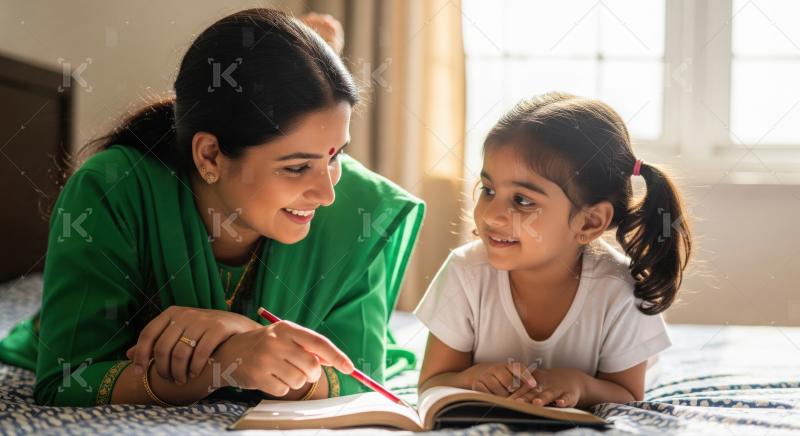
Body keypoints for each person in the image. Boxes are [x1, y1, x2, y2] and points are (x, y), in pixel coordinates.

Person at [0, 8, 424, 407]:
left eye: (335, 158)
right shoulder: (112, 192)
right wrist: (225, 363)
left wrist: (244, 332)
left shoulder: (361, 210)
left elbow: (361, 375)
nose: (327, 193)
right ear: (210, 157)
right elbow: (69, 380)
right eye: (297, 167)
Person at [415, 92, 691, 409]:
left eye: (522, 200)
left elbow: (628, 394)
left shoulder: (621, 290)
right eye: (489, 190)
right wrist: (471, 378)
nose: (490, 215)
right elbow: (432, 382)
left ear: (589, 222)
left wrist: (580, 385)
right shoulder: (464, 272)